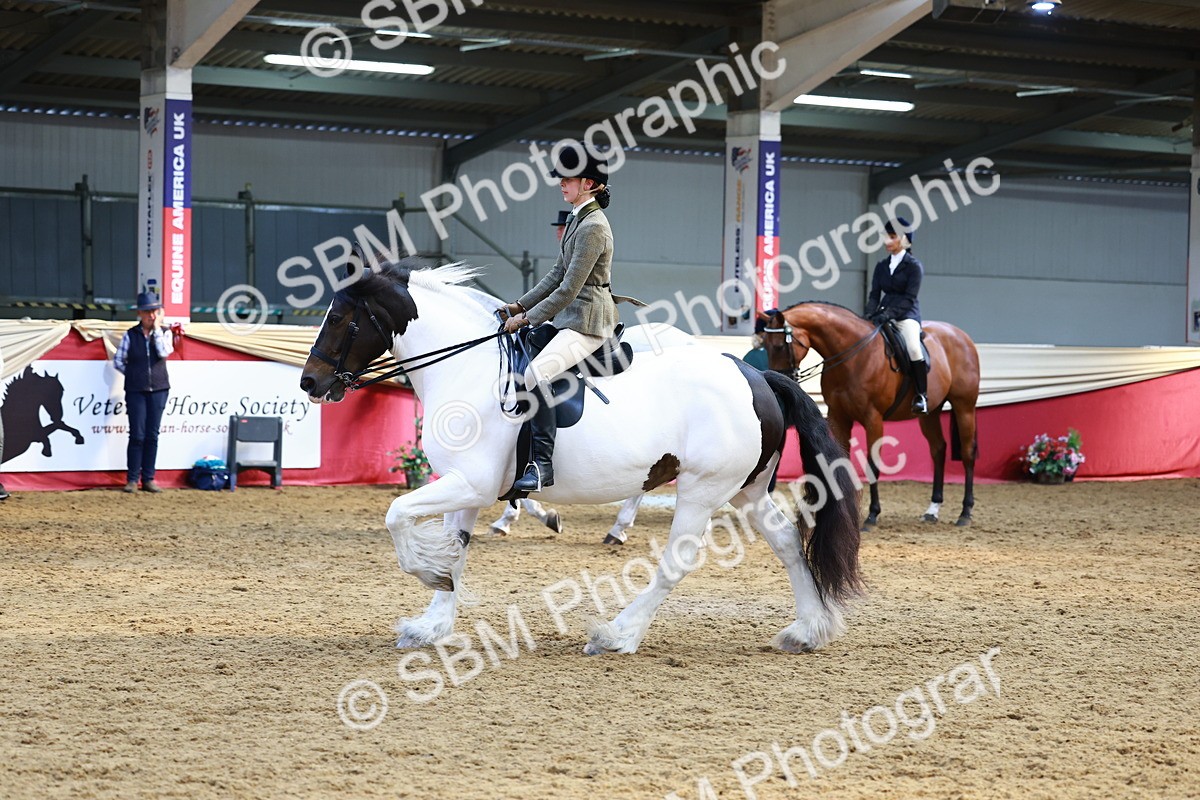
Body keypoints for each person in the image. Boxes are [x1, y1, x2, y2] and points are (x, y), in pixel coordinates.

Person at [498, 147, 627, 493]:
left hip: (589, 321)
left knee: (535, 373)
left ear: (589, 184)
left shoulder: (594, 227)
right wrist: (518, 305)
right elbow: (556, 273)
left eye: (568, 179)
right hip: (570, 317)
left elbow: (569, 289)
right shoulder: (577, 218)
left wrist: (526, 318)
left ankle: (542, 465)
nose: (561, 184)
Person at [865, 216, 927, 414]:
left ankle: (921, 395)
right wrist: (869, 314)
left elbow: (909, 298)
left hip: (906, 316)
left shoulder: (914, 266)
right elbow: (874, 295)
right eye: (886, 236)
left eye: (892, 237)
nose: (887, 241)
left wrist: (890, 314)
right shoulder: (881, 266)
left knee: (914, 348)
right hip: (882, 315)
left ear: (904, 239)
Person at [113, 292, 174, 492]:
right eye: (148, 312)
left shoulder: (164, 332)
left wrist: (156, 331)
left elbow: (164, 352)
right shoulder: (130, 334)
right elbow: (118, 361)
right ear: (140, 313)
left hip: (159, 389)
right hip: (136, 390)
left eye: (154, 311)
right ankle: (132, 479)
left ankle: (148, 478)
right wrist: (133, 375)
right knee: (137, 435)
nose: (151, 316)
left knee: (152, 435)